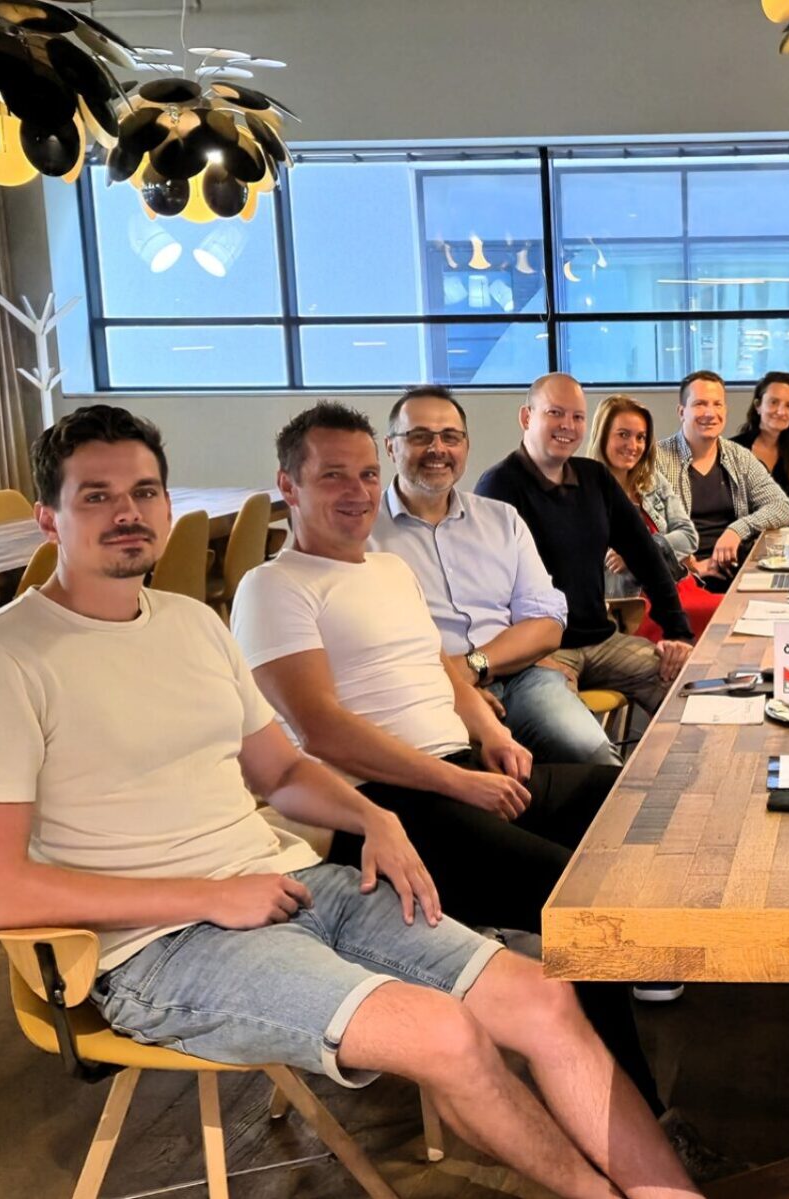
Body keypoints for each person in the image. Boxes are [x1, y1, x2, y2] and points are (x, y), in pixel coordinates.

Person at [0, 405, 700, 1199]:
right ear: (48, 517)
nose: (128, 512)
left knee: (543, 993)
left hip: (290, 883)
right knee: (447, 1033)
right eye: (97, 496)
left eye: (144, 491)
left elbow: (280, 769)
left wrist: (374, 817)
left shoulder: (190, 624)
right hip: (155, 944)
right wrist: (208, 895)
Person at [231, 401, 691, 1126]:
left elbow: (443, 668)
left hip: (460, 771)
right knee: (576, 902)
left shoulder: (388, 567)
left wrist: (488, 733)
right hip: (381, 810)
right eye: (332, 476)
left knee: (637, 798)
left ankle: (643, 973)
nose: (356, 491)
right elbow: (322, 731)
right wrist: (460, 779)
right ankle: (634, 1120)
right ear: (288, 485)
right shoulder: (274, 586)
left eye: (365, 475)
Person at [361, 383, 616, 767]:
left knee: (592, 754)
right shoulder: (362, 537)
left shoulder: (501, 520)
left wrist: (473, 667)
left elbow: (547, 624)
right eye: (420, 436)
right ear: (390, 447)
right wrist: (452, 687)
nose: (437, 449)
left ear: (465, 446)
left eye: (450, 437)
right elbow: (369, 649)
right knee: (478, 775)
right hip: (422, 694)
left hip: (523, 679)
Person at [476, 374, 695, 717]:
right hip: (538, 654)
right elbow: (484, 593)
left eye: (577, 416)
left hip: (603, 641)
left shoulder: (595, 479)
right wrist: (524, 657)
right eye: (555, 413)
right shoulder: (498, 487)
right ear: (526, 417)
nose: (568, 425)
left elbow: (645, 556)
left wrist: (678, 633)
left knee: (688, 683)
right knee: (576, 738)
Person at [588, 393, 721, 641]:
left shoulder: (651, 481)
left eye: (640, 437)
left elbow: (688, 536)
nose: (633, 445)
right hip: (633, 604)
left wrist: (639, 552)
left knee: (735, 609)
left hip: (676, 585)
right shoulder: (586, 490)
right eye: (623, 434)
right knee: (725, 616)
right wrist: (659, 550)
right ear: (602, 434)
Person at [654, 370, 789, 588]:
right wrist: (690, 567)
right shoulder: (656, 460)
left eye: (717, 404)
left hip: (735, 571)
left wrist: (737, 530)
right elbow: (648, 530)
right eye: (700, 404)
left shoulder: (739, 456)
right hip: (680, 579)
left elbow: (782, 507)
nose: (710, 413)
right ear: (682, 412)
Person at [732, 370, 789, 513]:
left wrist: (777, 505)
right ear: (758, 405)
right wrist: (782, 505)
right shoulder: (733, 450)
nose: (781, 412)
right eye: (774, 402)